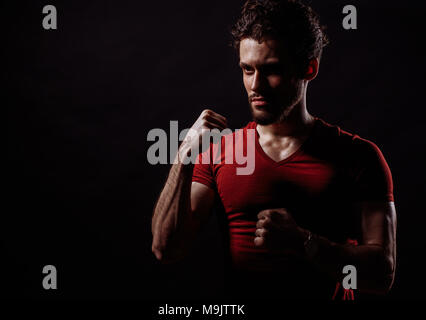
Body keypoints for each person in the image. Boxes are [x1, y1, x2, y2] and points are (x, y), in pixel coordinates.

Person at [151, 0, 396, 299]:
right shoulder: (219, 153)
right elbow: (166, 249)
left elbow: (382, 275)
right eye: (247, 69)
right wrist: (183, 156)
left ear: (309, 68)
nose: (256, 85)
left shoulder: (359, 156)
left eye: (272, 70)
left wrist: (306, 243)